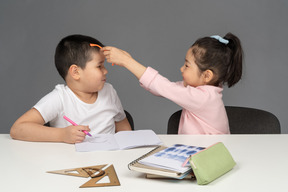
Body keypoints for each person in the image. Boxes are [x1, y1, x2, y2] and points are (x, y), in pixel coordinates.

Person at [102, 33, 243, 134]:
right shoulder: (196, 90)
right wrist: (129, 60)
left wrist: (127, 62)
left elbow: (163, 87)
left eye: (187, 65)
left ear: (206, 75)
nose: (181, 68)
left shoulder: (203, 98)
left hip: (208, 161)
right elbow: (161, 89)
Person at [10, 34, 131, 143]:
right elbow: (18, 128)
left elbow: (123, 126)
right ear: (75, 72)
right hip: (70, 163)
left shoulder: (109, 92)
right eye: (99, 66)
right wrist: (62, 135)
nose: (106, 71)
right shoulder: (60, 98)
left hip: (109, 161)